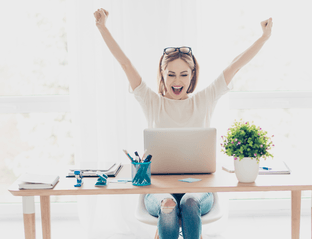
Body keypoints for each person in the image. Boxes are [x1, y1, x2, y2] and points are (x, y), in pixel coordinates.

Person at [94, 8, 273, 239]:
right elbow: (126, 64)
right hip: (158, 191)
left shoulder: (204, 99)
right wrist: (102, 28)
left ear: (192, 75)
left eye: (183, 74)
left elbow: (235, 65)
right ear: (162, 74)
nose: (177, 81)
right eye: (171, 74)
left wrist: (263, 38)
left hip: (198, 190)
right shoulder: (151, 102)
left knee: (189, 202)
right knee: (168, 204)